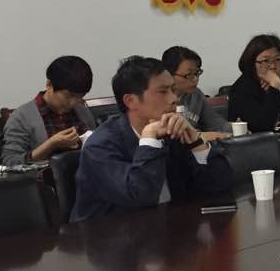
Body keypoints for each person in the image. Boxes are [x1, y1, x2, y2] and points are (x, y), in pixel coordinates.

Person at [71, 56, 235, 221]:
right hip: (107, 233)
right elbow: (140, 196)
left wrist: (196, 141)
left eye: (173, 90)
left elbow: (220, 185)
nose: (174, 99)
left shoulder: (172, 132)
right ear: (131, 101)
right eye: (163, 92)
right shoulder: (100, 146)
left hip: (168, 226)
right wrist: (149, 140)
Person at [1, 56, 95, 166]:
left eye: (80, 96)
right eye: (69, 96)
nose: (74, 102)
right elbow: (10, 162)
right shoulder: (21, 117)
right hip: (43, 176)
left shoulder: (82, 112)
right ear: (49, 85)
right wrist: (51, 144)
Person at [161, 45, 234, 134]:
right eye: (189, 75)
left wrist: (239, 128)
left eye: (196, 73)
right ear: (169, 74)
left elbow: (217, 124)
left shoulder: (196, 95)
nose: (196, 79)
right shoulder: (157, 99)